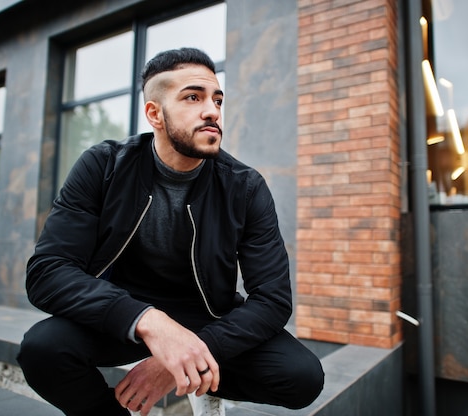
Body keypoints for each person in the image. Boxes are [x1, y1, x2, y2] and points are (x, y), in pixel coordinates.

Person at [17, 47, 324, 416]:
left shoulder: (245, 187)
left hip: (206, 317)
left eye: (217, 99)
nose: (212, 110)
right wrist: (148, 322)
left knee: (301, 376)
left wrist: (180, 358)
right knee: (42, 349)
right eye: (193, 97)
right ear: (154, 114)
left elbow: (272, 300)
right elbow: (48, 271)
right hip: (121, 313)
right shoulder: (104, 166)